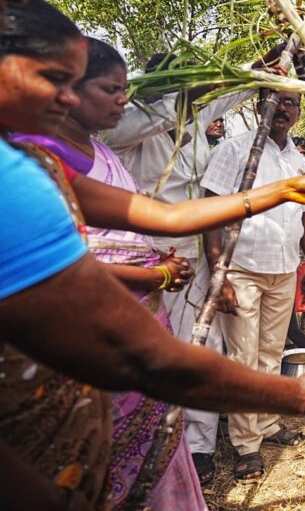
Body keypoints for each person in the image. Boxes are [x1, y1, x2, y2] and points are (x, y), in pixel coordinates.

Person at [0, 0, 305, 511]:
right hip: (43, 419)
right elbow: (141, 357)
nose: (65, 97)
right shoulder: (30, 176)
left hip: (95, 399)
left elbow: (165, 215)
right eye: (55, 79)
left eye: (74, 80)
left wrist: (285, 188)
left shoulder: (43, 166)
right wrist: (297, 395)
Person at [13, 36, 224, 511]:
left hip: (165, 274)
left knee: (158, 425)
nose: (120, 100)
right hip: (103, 325)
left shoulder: (102, 149)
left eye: (126, 90)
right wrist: (154, 274)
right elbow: (74, 261)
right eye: (110, 89)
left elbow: (168, 216)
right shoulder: (39, 163)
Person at [102, 53, 259, 485]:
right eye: (174, 88)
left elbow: (229, 94)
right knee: (153, 349)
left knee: (201, 346)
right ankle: (151, 441)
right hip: (151, 257)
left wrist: (264, 60)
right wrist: (187, 92)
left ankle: (199, 447)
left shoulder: (192, 119)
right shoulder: (127, 128)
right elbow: (173, 110)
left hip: (195, 255)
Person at [201, 88, 305, 480]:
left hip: (284, 268)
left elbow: (304, 217)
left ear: (299, 113)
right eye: (275, 100)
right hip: (243, 268)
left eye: (290, 103)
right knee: (243, 357)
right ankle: (246, 444)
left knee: (271, 351)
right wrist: (220, 272)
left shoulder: (296, 159)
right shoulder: (235, 150)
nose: (282, 108)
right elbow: (210, 209)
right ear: (258, 104)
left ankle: (266, 423)